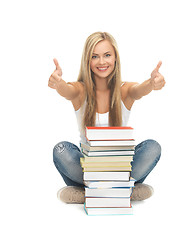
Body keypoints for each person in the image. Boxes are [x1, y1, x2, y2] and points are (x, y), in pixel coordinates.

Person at [48, 32, 165, 204]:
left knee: (153, 147)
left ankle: (87, 195)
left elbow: (140, 89)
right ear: (87, 61)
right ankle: (125, 192)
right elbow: (67, 90)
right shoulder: (80, 91)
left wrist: (152, 83)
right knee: (61, 149)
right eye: (94, 56)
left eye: (107, 55)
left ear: (115, 58)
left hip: (120, 168)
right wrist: (58, 84)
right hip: (88, 169)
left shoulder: (125, 90)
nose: (102, 62)